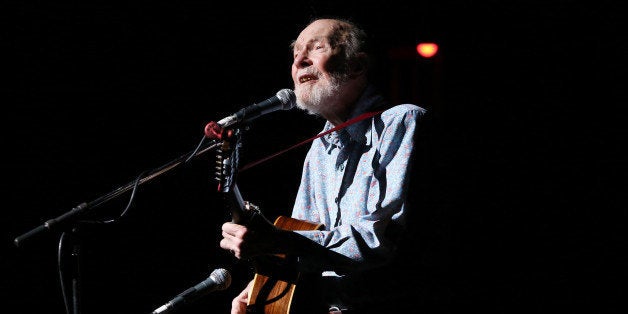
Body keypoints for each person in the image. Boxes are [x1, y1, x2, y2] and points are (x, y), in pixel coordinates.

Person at [219, 17, 427, 313]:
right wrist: (261, 287)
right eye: (295, 55)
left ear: (357, 65)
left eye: (315, 49)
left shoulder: (402, 122)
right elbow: (302, 232)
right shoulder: (320, 145)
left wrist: (279, 242)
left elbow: (381, 239)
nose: (300, 61)